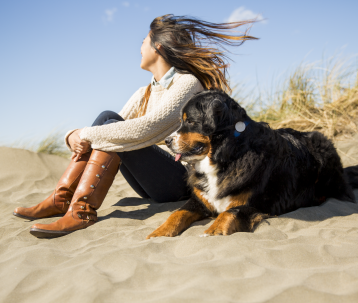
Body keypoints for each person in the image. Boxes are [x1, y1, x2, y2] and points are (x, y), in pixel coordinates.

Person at [13, 14, 257, 238]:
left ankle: (79, 210)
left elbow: (152, 126)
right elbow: (112, 125)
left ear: (158, 47)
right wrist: (73, 135)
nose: (139, 48)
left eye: (143, 41)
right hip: (151, 183)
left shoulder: (187, 83)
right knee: (108, 118)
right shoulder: (145, 91)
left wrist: (83, 133)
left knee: (110, 128)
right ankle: (62, 198)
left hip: (182, 181)